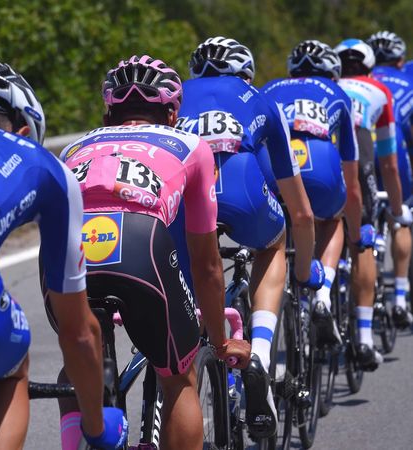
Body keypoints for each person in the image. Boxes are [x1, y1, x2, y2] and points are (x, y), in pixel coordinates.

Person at [51, 55, 251, 450]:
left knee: (76, 366)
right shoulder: (191, 145)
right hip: (140, 242)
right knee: (178, 377)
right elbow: (207, 264)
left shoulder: (74, 147)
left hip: (69, 248)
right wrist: (220, 341)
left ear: (108, 114)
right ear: (173, 114)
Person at [0, 56, 126, 450]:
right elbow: (79, 332)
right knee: (11, 367)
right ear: (24, 131)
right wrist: (96, 428)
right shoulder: (41, 163)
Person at [176, 36, 322, 439]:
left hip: (185, 196)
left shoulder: (176, 95)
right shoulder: (260, 99)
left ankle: (192, 338)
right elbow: (302, 212)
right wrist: (304, 271)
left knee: (187, 257)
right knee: (273, 243)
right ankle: (258, 350)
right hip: (241, 189)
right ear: (246, 72)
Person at [261, 40, 378, 363]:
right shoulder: (338, 93)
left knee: (272, 236)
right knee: (332, 219)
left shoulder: (270, 88)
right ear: (333, 71)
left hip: (273, 167)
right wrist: (356, 234)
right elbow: (352, 183)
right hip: (319, 164)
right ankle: (323, 293)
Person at [334, 38, 412, 366]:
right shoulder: (382, 88)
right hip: (376, 151)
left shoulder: (331, 86)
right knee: (374, 229)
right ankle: (399, 298)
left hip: (326, 161)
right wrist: (397, 207)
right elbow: (391, 161)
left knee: (327, 220)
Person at [367, 31, 413, 328]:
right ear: (400, 60)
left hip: (360, 148)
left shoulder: (362, 80)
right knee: (401, 215)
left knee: (359, 223)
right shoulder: (408, 81)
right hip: (393, 148)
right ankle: (399, 295)